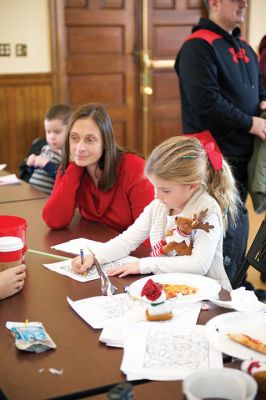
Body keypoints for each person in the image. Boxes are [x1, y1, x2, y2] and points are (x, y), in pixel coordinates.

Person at [174, 0, 266, 297]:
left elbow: (259, 90)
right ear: (214, 2)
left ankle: (233, 285)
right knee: (218, 229)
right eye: (236, 0)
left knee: (238, 227)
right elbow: (207, 103)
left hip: (242, 152)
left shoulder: (244, 47)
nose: (243, 5)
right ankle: (215, 294)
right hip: (212, 156)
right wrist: (252, 123)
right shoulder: (196, 48)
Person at [71, 134, 239, 291]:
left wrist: (144, 265)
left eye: (165, 190)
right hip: (172, 288)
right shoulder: (160, 205)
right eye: (154, 187)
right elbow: (128, 240)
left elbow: (199, 264)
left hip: (209, 294)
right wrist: (95, 257)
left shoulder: (207, 210)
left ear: (192, 186)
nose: (156, 196)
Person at [42, 103, 154, 234]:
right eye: (74, 138)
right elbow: (54, 221)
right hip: (97, 244)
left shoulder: (134, 167)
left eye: (89, 140)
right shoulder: (72, 165)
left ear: (105, 142)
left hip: (133, 250)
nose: (79, 148)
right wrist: (74, 170)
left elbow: (148, 233)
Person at [21, 104, 72, 194]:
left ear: (71, 130)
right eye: (48, 132)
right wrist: (33, 164)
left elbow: (64, 180)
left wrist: (46, 164)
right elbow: (39, 173)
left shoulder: (68, 154)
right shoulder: (45, 148)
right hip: (32, 193)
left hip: (46, 199)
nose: (52, 137)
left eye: (57, 132)